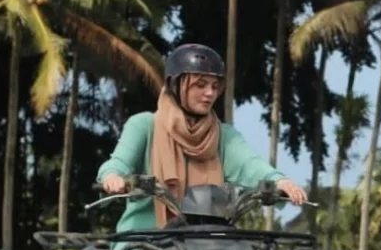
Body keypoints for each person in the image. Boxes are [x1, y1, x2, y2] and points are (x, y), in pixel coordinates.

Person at [97, 42, 308, 232]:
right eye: (200, 85)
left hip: (208, 241)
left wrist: (279, 182)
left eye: (215, 86)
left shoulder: (224, 135)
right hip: (145, 242)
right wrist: (113, 178)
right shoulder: (144, 125)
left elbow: (250, 165)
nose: (210, 93)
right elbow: (118, 163)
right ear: (176, 85)